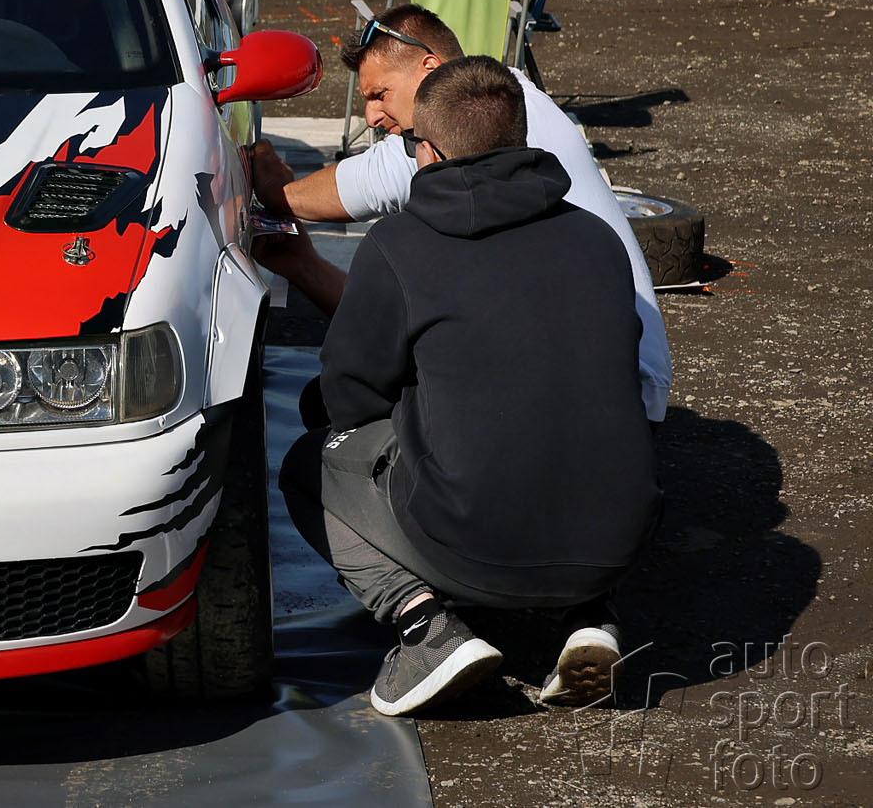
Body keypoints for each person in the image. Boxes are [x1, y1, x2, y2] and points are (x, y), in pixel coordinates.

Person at [279, 57, 662, 716]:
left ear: (427, 150)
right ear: (520, 140)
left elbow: (351, 397)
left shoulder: (400, 244)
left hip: (474, 547)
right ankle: (592, 620)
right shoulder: (596, 238)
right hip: (616, 540)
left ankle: (426, 629)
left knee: (306, 464)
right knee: (574, 423)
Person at [251, 2, 673, 424]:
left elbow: (357, 189)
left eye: (381, 94)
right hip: (625, 394)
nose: (372, 116)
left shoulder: (456, 139)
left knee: (329, 410)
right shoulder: (511, 99)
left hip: (600, 391)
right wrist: (303, 264)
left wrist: (273, 190)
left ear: (430, 68)